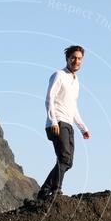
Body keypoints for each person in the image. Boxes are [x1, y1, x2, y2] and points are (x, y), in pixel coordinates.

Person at [37, 45, 91, 200]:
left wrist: (83, 128)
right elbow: (49, 98)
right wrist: (53, 121)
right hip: (57, 123)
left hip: (69, 124)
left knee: (68, 162)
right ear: (67, 59)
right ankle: (56, 189)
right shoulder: (59, 75)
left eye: (79, 58)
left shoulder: (76, 81)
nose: (76, 61)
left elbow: (73, 107)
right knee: (64, 158)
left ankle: (45, 190)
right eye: (73, 57)